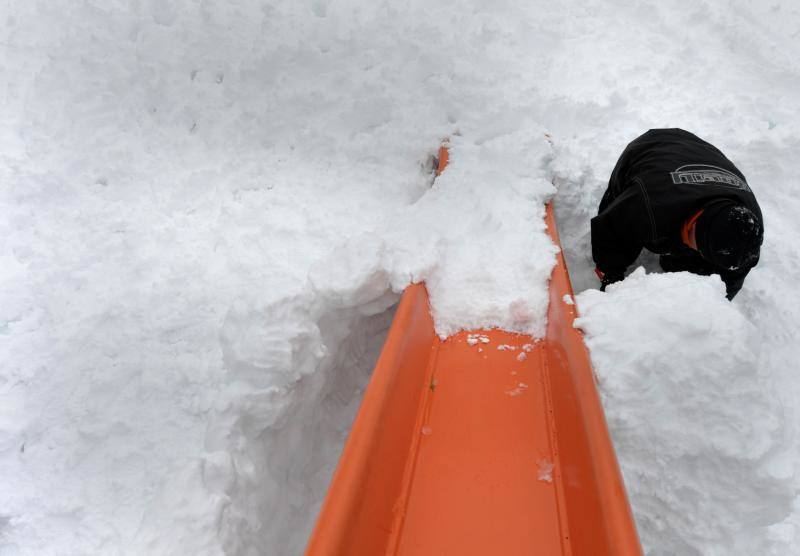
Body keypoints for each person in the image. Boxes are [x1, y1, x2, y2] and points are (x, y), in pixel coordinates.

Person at [592, 128, 763, 300]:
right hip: (647, 149)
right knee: (625, 223)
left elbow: (733, 276)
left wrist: (720, 302)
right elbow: (611, 230)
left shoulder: (748, 225)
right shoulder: (649, 203)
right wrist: (612, 277)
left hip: (701, 154)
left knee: (698, 268)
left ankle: (678, 260)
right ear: (694, 226)